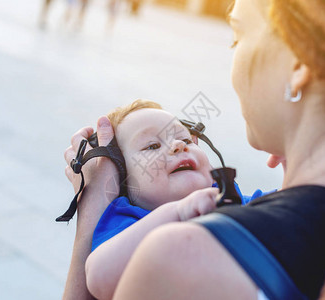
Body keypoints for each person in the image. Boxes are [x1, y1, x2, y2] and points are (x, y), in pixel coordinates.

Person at [64, 0, 325, 299]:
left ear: (299, 63)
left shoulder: (181, 259)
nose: (178, 145)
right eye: (151, 145)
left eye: (237, 36)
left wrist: (92, 204)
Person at [62, 99, 268, 299]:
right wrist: (177, 212)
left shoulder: (240, 202)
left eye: (186, 140)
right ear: (122, 181)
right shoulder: (125, 224)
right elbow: (101, 277)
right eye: (152, 146)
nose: (178, 145)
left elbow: (294, 205)